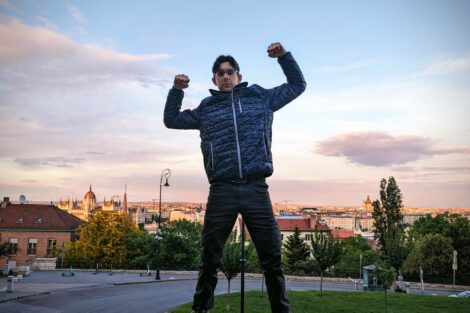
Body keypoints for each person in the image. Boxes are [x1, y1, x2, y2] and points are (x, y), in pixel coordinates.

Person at [164, 42, 306, 313]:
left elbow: (297, 85)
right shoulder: (207, 108)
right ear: (214, 80)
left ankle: (281, 310)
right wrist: (176, 91)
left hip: (255, 188)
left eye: (230, 71)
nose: (226, 75)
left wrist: (284, 58)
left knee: (272, 257)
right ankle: (201, 308)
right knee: (210, 255)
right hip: (222, 190)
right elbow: (171, 119)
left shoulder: (260, 98)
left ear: (239, 76)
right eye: (220, 73)